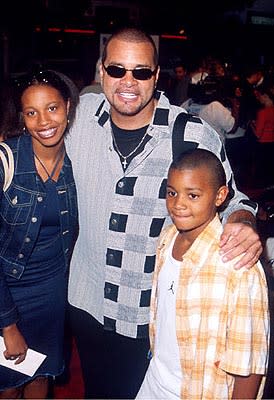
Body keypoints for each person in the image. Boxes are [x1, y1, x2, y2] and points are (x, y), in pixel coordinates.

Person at [65, 27, 262, 399]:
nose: (128, 81)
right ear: (100, 71)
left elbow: (234, 200)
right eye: (117, 70)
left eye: (141, 72)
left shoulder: (191, 134)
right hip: (87, 304)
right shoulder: (79, 119)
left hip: (149, 318)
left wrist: (244, 223)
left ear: (156, 77)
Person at [136, 149, 269, 400]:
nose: (178, 204)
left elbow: (249, 365)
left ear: (220, 196)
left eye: (193, 195)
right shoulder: (167, 238)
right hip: (155, 381)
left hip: (200, 391)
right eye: (171, 193)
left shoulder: (237, 263)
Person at [0, 69, 79, 399]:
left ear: (68, 108)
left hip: (52, 292)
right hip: (8, 292)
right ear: (22, 116)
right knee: (8, 386)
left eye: (52, 108)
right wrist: (7, 324)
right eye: (31, 112)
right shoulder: (6, 159)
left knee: (40, 377)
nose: (43, 120)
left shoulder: (78, 162)